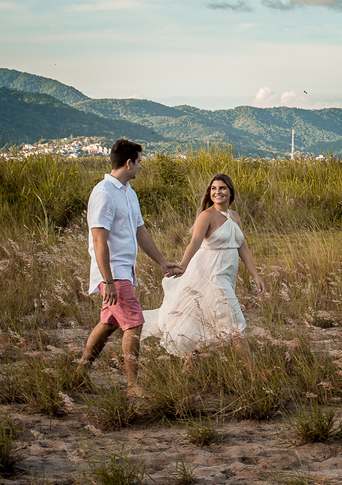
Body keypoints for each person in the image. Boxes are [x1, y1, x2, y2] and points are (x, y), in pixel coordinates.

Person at [79, 139, 182, 398]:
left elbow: (140, 231)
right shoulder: (103, 192)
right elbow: (99, 239)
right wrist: (109, 280)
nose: (140, 166)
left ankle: (79, 373)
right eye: (138, 162)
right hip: (113, 272)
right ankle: (133, 386)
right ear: (128, 163)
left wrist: (161, 262)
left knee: (109, 322)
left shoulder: (128, 192)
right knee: (134, 324)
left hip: (125, 271)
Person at [142, 173, 266, 359]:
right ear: (209, 193)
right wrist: (183, 266)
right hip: (209, 273)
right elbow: (194, 243)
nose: (218, 192)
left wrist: (255, 275)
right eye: (214, 189)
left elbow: (243, 247)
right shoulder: (207, 216)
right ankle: (252, 371)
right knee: (234, 321)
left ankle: (190, 365)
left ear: (231, 192)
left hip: (226, 275)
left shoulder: (235, 216)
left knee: (204, 320)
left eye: (222, 188)